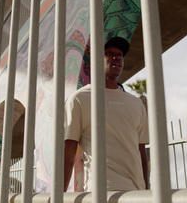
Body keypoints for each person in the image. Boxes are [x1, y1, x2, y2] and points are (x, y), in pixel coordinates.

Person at [64, 37, 150, 192]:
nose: (116, 56)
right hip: (101, 191)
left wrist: (146, 190)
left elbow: (141, 152)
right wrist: (60, 196)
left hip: (136, 193)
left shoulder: (135, 103)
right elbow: (68, 153)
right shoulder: (79, 99)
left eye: (120, 54)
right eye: (109, 53)